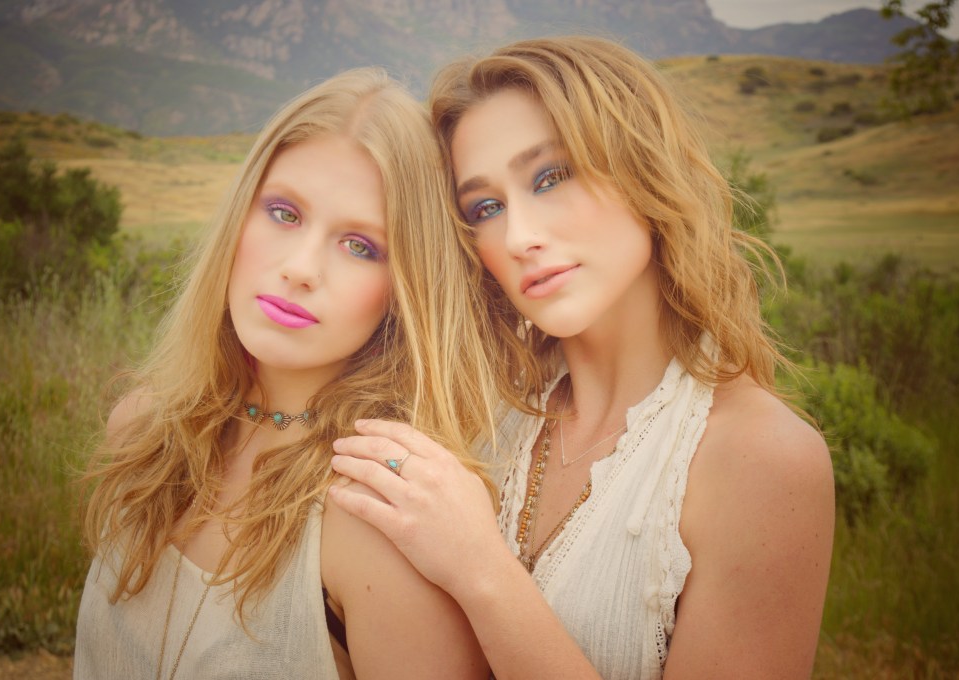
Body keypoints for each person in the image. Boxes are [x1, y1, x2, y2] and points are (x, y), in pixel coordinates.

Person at [329, 36, 836, 679]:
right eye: (486, 208)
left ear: (641, 167)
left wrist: (481, 570)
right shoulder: (472, 417)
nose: (520, 237)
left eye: (551, 177)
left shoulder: (763, 460)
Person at [74, 68, 508, 680]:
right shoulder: (141, 430)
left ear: (407, 284)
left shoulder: (379, 515)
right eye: (283, 213)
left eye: (360, 246)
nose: (300, 268)